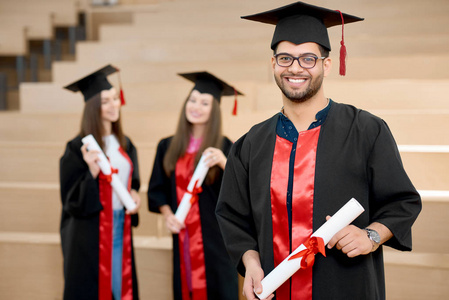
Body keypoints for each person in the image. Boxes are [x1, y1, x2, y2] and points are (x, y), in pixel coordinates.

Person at [215, 2, 422, 300]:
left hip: (346, 288)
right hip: (273, 288)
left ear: (326, 65)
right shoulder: (250, 144)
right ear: (273, 64)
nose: (295, 68)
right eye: (285, 58)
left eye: (308, 59)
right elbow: (233, 216)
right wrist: (250, 263)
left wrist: (371, 236)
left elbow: (403, 202)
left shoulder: (366, 130)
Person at [147, 71, 242, 300]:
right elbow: (156, 190)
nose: (196, 106)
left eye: (204, 102)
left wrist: (223, 162)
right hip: (183, 237)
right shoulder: (167, 146)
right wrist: (168, 214)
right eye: (192, 100)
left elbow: (241, 191)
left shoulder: (224, 146)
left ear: (214, 110)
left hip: (216, 242)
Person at [59, 65, 141, 300]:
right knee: (93, 289)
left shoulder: (126, 143)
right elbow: (70, 200)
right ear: (93, 107)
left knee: (120, 286)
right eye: (105, 101)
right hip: (89, 234)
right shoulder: (77, 148)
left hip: (119, 225)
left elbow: (133, 180)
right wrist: (92, 171)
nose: (114, 104)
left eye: (115, 99)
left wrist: (134, 192)